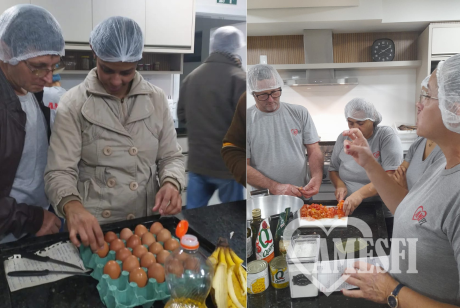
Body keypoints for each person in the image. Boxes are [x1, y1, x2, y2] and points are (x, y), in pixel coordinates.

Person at [45, 17, 185, 252]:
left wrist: (171, 182)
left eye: (127, 72)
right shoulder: (73, 103)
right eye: (107, 69)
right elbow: (59, 171)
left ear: (138, 61)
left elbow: (171, 156)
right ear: (94, 54)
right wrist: (71, 204)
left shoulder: (156, 99)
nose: (116, 80)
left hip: (145, 222)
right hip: (97, 229)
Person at [341, 55, 460, 306]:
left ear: (456, 108)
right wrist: (369, 163)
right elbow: (410, 211)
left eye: (428, 96)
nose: (419, 105)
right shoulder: (442, 164)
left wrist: (390, 291)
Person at [0, 4, 64, 243]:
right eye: (38, 67)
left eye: (53, 66)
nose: (48, 78)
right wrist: (32, 219)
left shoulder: (32, 92)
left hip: (38, 220)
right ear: (7, 51)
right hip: (10, 232)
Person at [177, 26, 246, 209]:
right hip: (228, 168)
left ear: (213, 46)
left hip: (197, 164)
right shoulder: (239, 79)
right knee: (233, 220)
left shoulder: (191, 77)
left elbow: (182, 115)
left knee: (194, 219)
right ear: (236, 47)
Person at [246, 64, 323, 199]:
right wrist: (275, 187)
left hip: (301, 194)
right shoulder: (243, 120)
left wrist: (317, 177)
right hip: (266, 199)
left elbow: (314, 150)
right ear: (253, 94)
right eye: (263, 95)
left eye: (275, 92)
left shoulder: (299, 112)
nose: (271, 99)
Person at [329, 98, 403, 223]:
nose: (355, 127)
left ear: (372, 119)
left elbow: (391, 177)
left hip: (381, 211)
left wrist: (359, 195)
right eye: (351, 123)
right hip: (349, 209)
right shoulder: (343, 139)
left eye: (360, 123)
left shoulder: (385, 136)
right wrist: (339, 185)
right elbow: (333, 169)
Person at [393, 76, 445, 193]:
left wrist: (404, 189)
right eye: (422, 97)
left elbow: (427, 205)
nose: (418, 104)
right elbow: (398, 176)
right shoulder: (420, 141)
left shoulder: (446, 156)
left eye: (428, 97)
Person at [221, 92, 247, 187]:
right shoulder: (247, 99)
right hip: (225, 172)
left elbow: (181, 114)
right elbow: (232, 147)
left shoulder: (189, 80)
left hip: (197, 162)